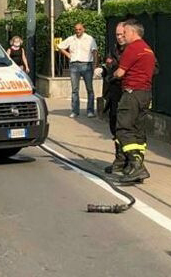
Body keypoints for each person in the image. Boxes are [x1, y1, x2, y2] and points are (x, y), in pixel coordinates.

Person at [111, 19, 156, 185]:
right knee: (137, 130)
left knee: (123, 129)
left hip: (131, 93)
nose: (124, 35)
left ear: (133, 32)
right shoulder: (147, 49)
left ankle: (136, 165)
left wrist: (111, 75)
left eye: (126, 32)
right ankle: (134, 165)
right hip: (145, 94)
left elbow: (121, 72)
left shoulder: (133, 48)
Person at [100, 22, 127, 174]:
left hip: (127, 94)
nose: (120, 37)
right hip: (114, 94)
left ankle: (129, 162)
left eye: (123, 34)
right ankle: (119, 159)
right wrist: (103, 69)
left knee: (126, 129)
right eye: (117, 34)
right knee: (114, 127)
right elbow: (109, 64)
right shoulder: (114, 49)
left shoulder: (133, 50)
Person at [57, 22, 98, 118]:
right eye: (76, 29)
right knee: (75, 90)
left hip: (86, 65)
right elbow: (60, 46)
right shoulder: (71, 39)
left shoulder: (89, 39)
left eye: (80, 29)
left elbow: (95, 52)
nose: (78, 31)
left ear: (83, 29)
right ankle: (75, 111)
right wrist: (68, 55)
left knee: (89, 89)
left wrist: (95, 66)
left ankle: (90, 111)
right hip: (74, 65)